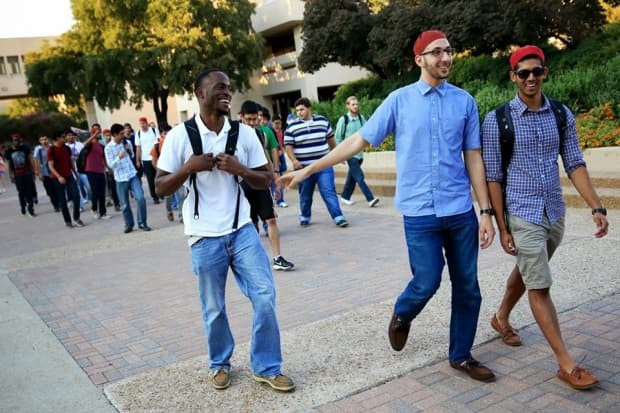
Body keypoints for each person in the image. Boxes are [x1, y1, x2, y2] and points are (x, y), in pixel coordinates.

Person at [280, 30, 496, 382]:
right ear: (419, 59)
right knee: (426, 281)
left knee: (468, 286)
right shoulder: (400, 100)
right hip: (419, 212)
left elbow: (473, 157)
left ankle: (461, 355)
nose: (445, 58)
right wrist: (307, 170)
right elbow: (356, 141)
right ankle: (403, 312)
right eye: (436, 52)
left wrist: (485, 211)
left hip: (459, 210)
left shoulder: (464, 102)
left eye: (449, 51)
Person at [155, 68, 295, 392]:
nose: (226, 93)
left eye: (229, 89)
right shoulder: (180, 136)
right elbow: (160, 187)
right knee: (214, 307)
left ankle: (267, 366)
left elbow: (266, 179)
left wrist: (241, 169)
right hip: (203, 236)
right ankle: (219, 363)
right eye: (219, 88)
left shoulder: (244, 134)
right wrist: (188, 168)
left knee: (264, 295)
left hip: (242, 230)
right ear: (199, 92)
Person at [481, 45, 609, 390]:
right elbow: (493, 175)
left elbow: (574, 162)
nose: (531, 78)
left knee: (527, 271)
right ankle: (565, 364)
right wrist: (502, 225)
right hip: (521, 211)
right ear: (513, 77)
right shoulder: (497, 120)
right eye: (523, 73)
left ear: (545, 72)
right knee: (539, 283)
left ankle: (500, 317)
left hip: (553, 211)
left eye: (537, 71)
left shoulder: (561, 114)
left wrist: (596, 206)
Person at [239, 100, 295, 271]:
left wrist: (275, 180)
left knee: (270, 219)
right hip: (242, 184)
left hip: (261, 182)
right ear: (241, 117)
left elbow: (266, 159)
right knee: (251, 223)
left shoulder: (260, 134)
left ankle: (277, 257)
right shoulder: (234, 135)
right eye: (248, 119)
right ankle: (254, 259)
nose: (252, 123)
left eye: (255, 119)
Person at [284, 97, 348, 228]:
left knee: (328, 191)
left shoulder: (322, 121)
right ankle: (305, 216)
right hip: (303, 168)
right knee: (305, 195)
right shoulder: (292, 126)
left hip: (324, 166)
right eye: (297, 110)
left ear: (309, 108)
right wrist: (294, 160)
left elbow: (331, 141)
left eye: (301, 109)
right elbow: (288, 146)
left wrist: (338, 156)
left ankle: (338, 217)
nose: (299, 113)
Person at [335, 96, 380, 207]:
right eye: (353, 104)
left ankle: (345, 196)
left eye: (356, 104)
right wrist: (341, 155)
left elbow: (367, 131)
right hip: (349, 154)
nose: (355, 106)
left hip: (359, 154)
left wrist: (373, 141)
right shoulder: (343, 120)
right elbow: (338, 138)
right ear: (347, 106)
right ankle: (370, 199)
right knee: (359, 177)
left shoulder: (361, 118)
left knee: (352, 177)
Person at [105, 123, 150, 233]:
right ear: (114, 135)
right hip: (120, 179)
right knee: (125, 205)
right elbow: (110, 165)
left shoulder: (126, 142)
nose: (123, 136)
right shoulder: (108, 148)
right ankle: (129, 224)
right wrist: (118, 158)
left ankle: (142, 222)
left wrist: (130, 150)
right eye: (121, 134)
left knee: (141, 198)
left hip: (132, 175)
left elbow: (133, 157)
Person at [47, 132, 84, 227]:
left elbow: (70, 162)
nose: (65, 139)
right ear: (57, 138)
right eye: (63, 137)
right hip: (57, 178)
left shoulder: (67, 148)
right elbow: (50, 166)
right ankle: (68, 221)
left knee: (76, 195)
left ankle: (77, 217)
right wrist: (59, 177)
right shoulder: (51, 150)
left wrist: (75, 175)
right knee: (63, 200)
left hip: (69, 175)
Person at [151, 124, 185, 223]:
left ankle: (181, 215)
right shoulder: (157, 146)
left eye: (169, 133)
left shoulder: (176, 143)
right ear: (161, 135)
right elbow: (154, 160)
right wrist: (160, 171)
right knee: (168, 197)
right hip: (166, 175)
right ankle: (169, 210)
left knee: (181, 194)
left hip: (178, 173)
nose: (167, 135)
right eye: (165, 133)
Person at [4, 133, 36, 216]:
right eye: (15, 140)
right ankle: (23, 206)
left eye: (18, 140)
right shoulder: (9, 151)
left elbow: (29, 160)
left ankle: (31, 208)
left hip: (27, 173)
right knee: (21, 192)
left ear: (20, 140)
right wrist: (11, 175)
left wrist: (33, 171)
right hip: (17, 175)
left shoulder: (25, 148)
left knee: (29, 191)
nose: (16, 142)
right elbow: (9, 164)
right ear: (12, 141)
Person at [83, 126, 110, 219]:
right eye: (96, 133)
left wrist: (108, 168)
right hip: (91, 170)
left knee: (102, 192)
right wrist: (93, 135)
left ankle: (103, 213)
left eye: (99, 133)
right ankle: (94, 209)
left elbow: (103, 158)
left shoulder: (101, 145)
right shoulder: (90, 144)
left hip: (100, 170)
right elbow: (84, 144)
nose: (98, 135)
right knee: (95, 191)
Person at [135, 116, 161, 204]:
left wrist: (155, 151)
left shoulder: (153, 130)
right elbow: (138, 148)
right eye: (140, 124)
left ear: (147, 123)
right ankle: (154, 197)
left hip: (155, 157)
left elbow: (157, 142)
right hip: (145, 159)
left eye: (143, 123)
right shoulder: (138, 133)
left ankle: (161, 192)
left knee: (159, 176)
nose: (142, 125)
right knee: (150, 179)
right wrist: (137, 160)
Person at [34, 135, 60, 212]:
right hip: (45, 173)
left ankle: (59, 204)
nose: (44, 141)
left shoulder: (53, 148)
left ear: (48, 139)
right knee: (50, 191)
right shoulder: (39, 150)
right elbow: (37, 161)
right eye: (42, 140)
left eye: (45, 139)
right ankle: (55, 204)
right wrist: (39, 173)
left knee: (57, 189)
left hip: (55, 172)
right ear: (40, 141)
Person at [271, 115, 288, 208]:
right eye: (276, 123)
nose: (278, 125)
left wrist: (283, 151)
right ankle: (278, 199)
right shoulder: (271, 132)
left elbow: (281, 143)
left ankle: (279, 199)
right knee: (276, 178)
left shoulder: (281, 131)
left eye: (279, 123)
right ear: (272, 123)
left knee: (280, 177)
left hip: (281, 156)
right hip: (275, 157)